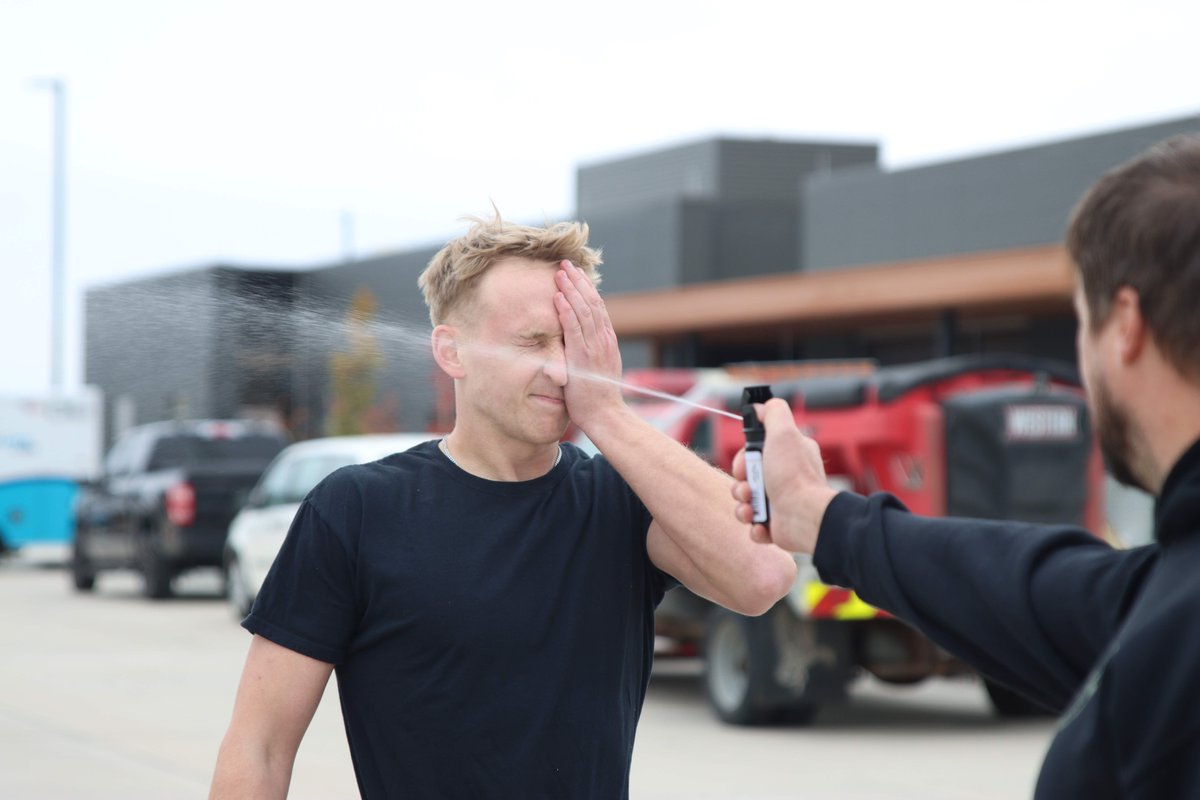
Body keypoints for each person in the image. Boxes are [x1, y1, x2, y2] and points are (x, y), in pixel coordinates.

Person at [209, 215, 798, 799]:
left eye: (572, 342)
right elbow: (259, 747)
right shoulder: (357, 510)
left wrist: (610, 415)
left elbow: (763, 577)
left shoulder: (618, 501)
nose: (561, 366)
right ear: (452, 351)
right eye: (533, 341)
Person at [731, 134, 1200, 798]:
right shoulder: (1170, 593)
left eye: (1081, 322)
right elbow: (1039, 591)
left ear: (1125, 325)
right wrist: (818, 513)